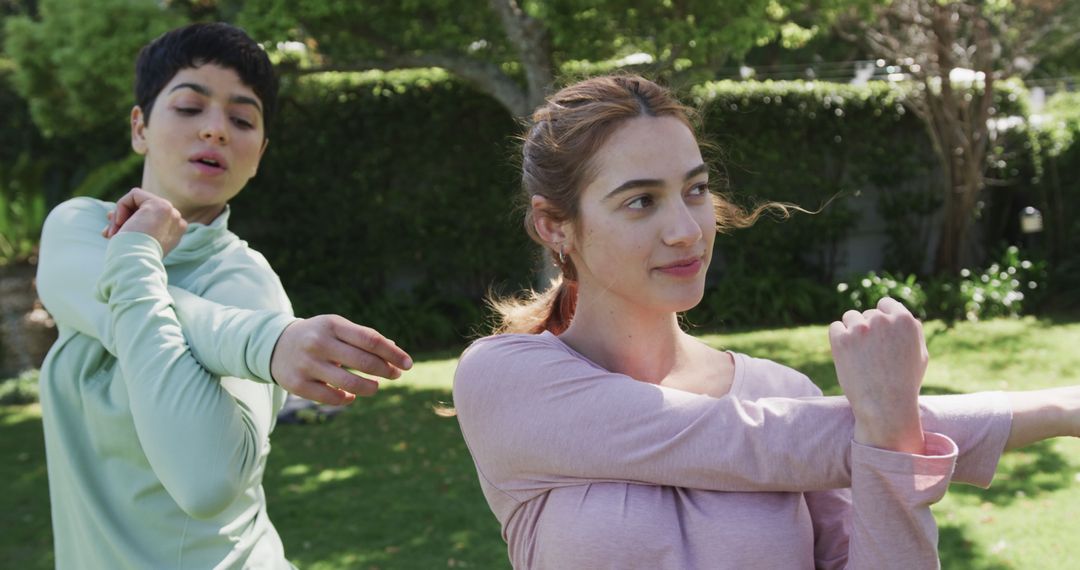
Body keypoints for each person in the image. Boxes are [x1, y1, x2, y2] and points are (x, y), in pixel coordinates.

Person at [452, 75, 1080, 569]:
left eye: (694, 190)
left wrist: (890, 437)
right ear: (553, 225)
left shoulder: (783, 393)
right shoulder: (509, 381)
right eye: (641, 200)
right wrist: (1054, 409)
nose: (686, 229)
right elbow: (758, 441)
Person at [36, 23, 411, 569]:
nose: (215, 130)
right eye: (190, 108)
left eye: (241, 119)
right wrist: (265, 342)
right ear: (139, 126)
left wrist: (138, 261)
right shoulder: (79, 228)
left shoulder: (247, 283)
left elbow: (206, 482)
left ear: (258, 153)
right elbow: (118, 306)